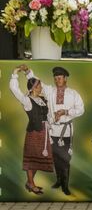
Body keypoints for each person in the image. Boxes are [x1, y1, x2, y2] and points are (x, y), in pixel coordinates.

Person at [22, 66, 85, 196]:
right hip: (51, 132)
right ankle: (58, 181)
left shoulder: (73, 94)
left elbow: (80, 110)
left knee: (65, 159)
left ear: (65, 79)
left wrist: (66, 112)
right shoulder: (50, 91)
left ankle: (65, 186)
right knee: (55, 158)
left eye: (60, 78)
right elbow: (36, 83)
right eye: (55, 78)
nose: (57, 80)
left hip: (65, 131)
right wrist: (28, 72)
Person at [9, 65, 54, 195]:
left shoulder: (42, 99)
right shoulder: (27, 101)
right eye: (38, 86)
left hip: (44, 132)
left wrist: (28, 72)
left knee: (38, 159)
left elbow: (35, 81)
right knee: (31, 159)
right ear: (34, 88)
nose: (41, 87)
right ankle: (31, 184)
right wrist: (15, 72)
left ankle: (30, 182)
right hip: (34, 132)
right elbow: (14, 89)